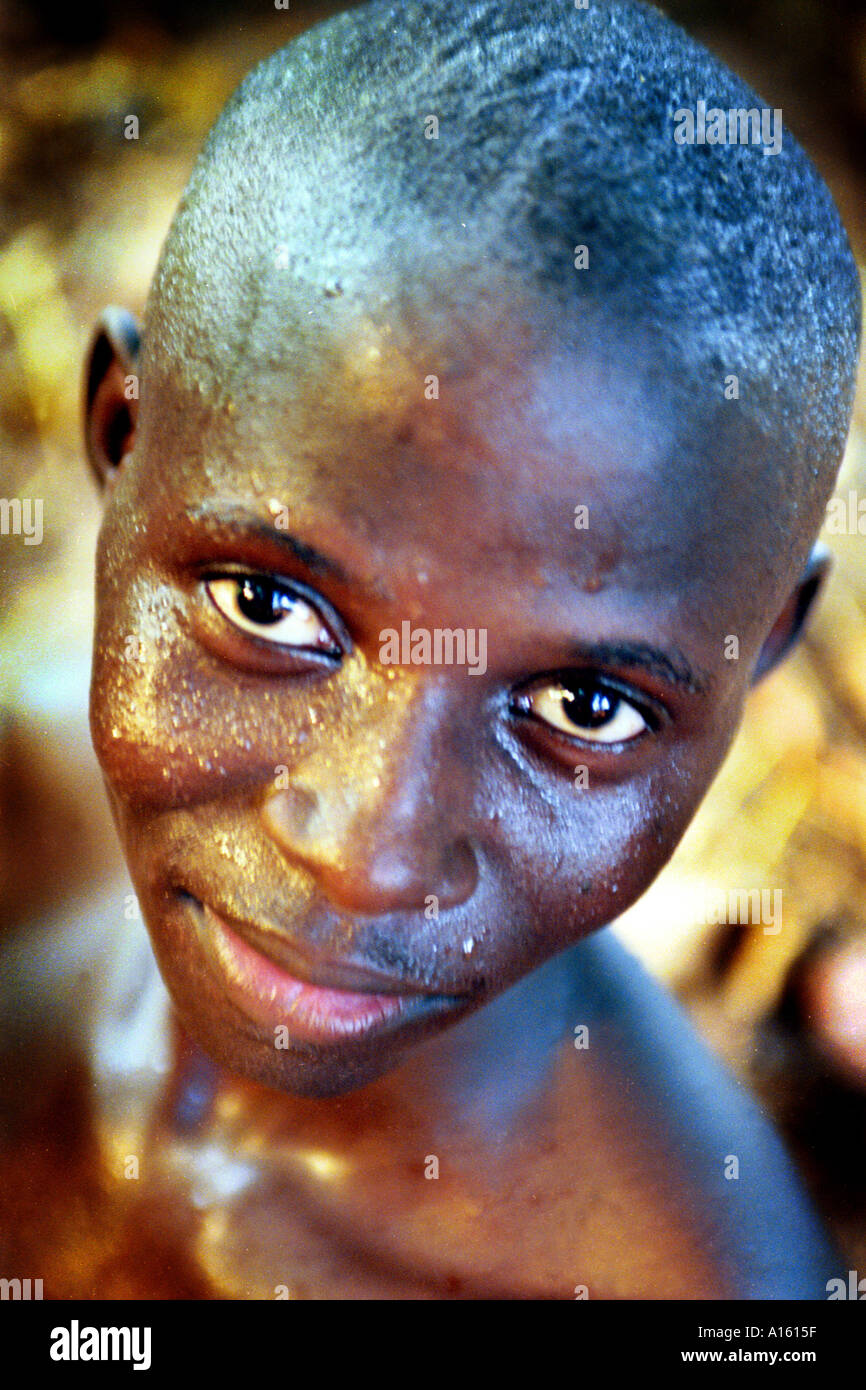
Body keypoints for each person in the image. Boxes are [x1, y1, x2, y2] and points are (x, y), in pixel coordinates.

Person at [4, 0, 862, 1298]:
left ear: (757, 654)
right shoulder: (25, 814)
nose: (364, 853)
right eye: (270, 606)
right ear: (124, 436)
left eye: (581, 702)